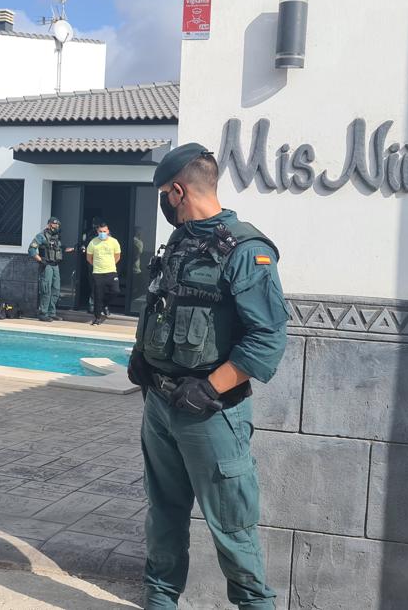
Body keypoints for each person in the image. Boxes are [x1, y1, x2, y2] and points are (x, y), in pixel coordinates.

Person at [127, 143, 288, 610]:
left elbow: (267, 339)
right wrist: (143, 357)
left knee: (233, 528)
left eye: (163, 194)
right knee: (163, 515)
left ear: (178, 190)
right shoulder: (180, 242)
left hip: (212, 413)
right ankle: (159, 602)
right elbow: (163, 308)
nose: (163, 203)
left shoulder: (246, 250)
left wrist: (210, 387)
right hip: (160, 407)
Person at [28, 216, 74, 322]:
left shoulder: (56, 237)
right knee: (46, 289)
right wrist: (40, 260)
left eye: (58, 225)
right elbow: (31, 249)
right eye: (54, 224)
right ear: (49, 224)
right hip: (46, 265)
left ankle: (52, 313)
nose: (56, 226)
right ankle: (43, 313)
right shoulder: (41, 236)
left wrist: (71, 249)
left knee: (56, 289)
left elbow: (60, 249)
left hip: (55, 265)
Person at [84, 222, 122, 325]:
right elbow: (89, 258)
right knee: (97, 296)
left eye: (104, 231)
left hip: (111, 272)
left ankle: (104, 305)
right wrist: (97, 265)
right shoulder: (93, 242)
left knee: (115, 291)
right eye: (100, 231)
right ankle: (97, 318)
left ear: (108, 231)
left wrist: (110, 264)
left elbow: (117, 256)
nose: (102, 233)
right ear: (97, 232)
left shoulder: (114, 242)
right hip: (98, 273)